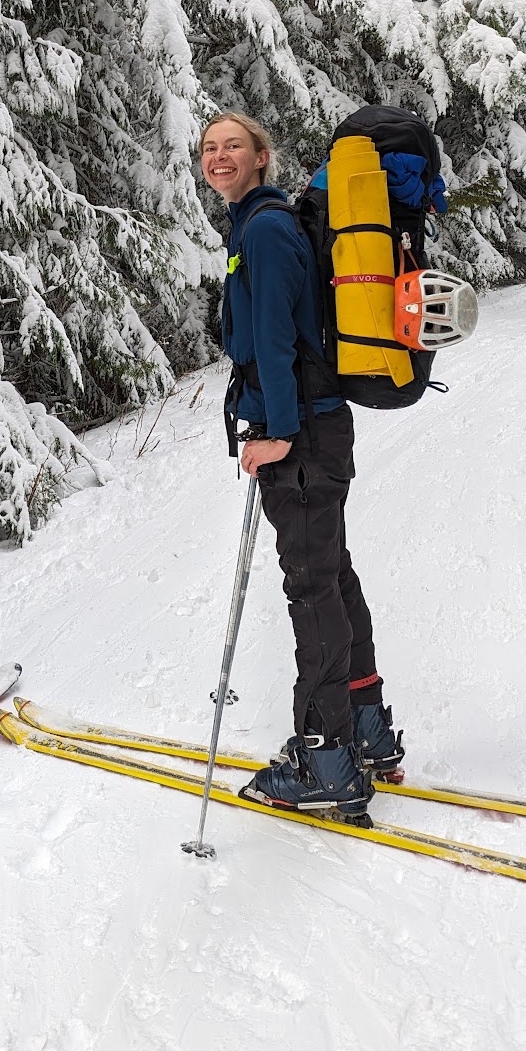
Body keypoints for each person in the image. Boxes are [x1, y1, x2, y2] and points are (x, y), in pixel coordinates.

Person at [200, 112, 403, 821]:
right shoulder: (256, 226)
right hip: (314, 431)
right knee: (332, 575)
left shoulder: (264, 230)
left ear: (262, 156)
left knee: (313, 590)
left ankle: (325, 760)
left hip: (304, 435)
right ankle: (367, 730)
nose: (219, 156)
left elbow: (278, 341)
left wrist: (278, 433)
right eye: (209, 148)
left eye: (233, 146)